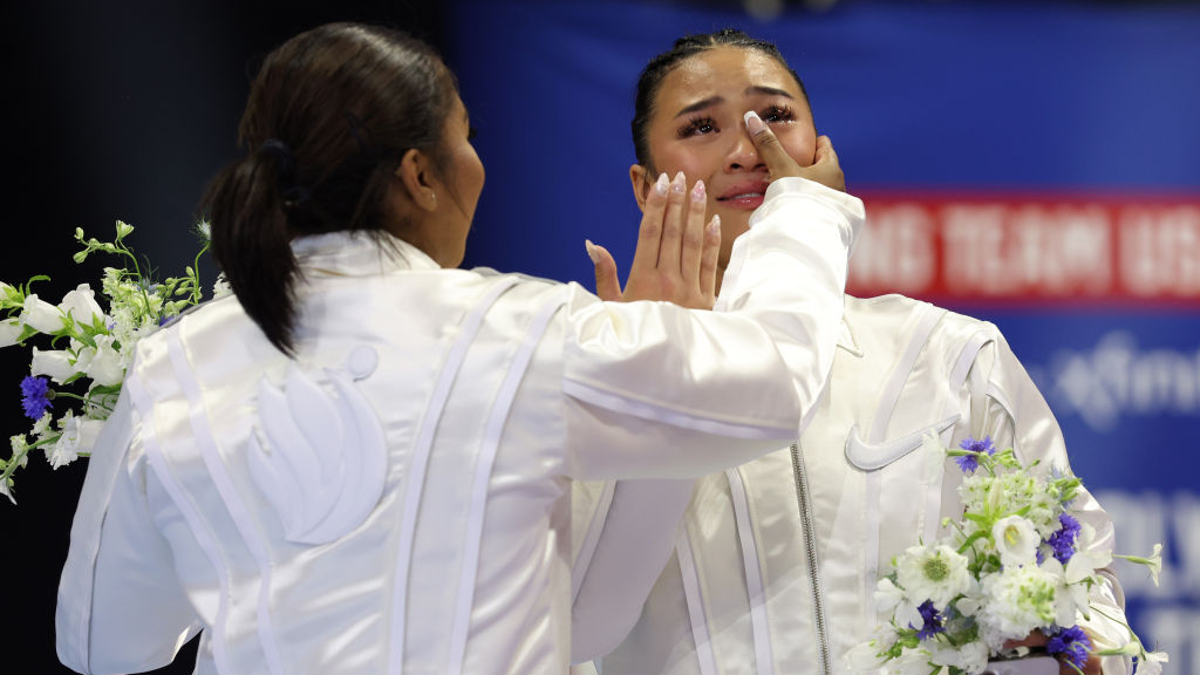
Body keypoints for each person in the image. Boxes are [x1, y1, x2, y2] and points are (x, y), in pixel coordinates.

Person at [53, 22, 864, 675]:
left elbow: (101, 644)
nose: (479, 162)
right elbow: (778, 381)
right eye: (466, 136)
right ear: (422, 175)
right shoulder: (513, 332)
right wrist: (802, 209)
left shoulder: (177, 366)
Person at [572, 29, 1133, 675]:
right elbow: (561, 618)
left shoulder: (949, 353)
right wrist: (636, 385)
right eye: (701, 126)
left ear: (821, 152)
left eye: (774, 115)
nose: (746, 149)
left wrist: (1079, 650)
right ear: (645, 187)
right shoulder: (589, 370)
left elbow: (1085, 591)